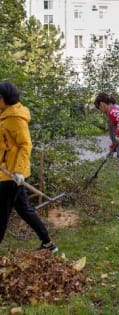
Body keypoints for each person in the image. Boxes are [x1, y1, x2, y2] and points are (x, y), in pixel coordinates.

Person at [0, 81, 57, 252]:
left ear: (3, 98)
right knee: (24, 210)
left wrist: (18, 171)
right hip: (6, 171)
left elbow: (25, 145)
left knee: (1, 215)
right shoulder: (4, 114)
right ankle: (48, 244)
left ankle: (48, 243)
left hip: (11, 175)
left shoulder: (16, 118)